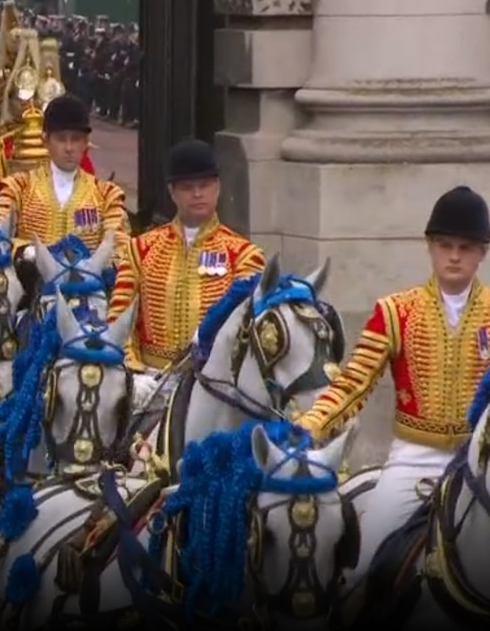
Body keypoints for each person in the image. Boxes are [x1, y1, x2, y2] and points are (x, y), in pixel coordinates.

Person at [295, 186, 490, 594]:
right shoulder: (396, 311)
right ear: (430, 247)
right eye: (445, 245)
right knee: (362, 569)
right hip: (414, 462)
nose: (454, 256)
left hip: (482, 462)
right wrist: (311, 424)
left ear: (482, 253)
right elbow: (355, 382)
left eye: (465, 247)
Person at [107, 138, 266, 374]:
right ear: (172, 192)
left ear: (218, 188)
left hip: (214, 380)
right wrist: (133, 370)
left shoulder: (243, 255)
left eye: (205, 185)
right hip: (149, 376)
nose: (197, 194)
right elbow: (119, 316)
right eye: (187, 187)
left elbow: (249, 325)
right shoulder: (140, 248)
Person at [0, 95, 127, 253]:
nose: (68, 148)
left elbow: (120, 250)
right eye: (61, 139)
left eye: (75, 139)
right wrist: (24, 251)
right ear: (45, 140)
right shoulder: (19, 187)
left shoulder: (106, 195)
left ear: (86, 142)